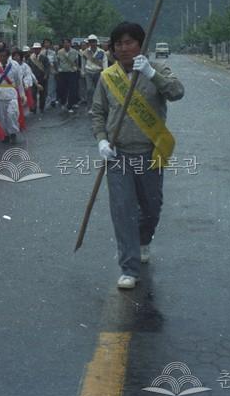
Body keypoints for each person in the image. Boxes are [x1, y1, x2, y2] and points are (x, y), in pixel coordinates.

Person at [91, 22, 184, 290]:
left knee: (152, 208)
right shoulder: (108, 77)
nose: (124, 48)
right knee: (123, 211)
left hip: (150, 154)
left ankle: (144, 240)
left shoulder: (156, 69)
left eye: (129, 42)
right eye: (119, 43)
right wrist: (101, 140)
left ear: (141, 44)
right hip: (118, 155)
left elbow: (177, 92)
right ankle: (129, 268)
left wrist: (151, 74)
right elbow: (98, 113)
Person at [0, 45, 25, 144]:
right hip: (0, 94)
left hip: (12, 93)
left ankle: (13, 133)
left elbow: (19, 82)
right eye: (0, 56)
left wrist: (22, 94)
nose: (2, 58)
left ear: (8, 56)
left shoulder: (14, 66)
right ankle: (5, 134)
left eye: (4, 56)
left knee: (12, 114)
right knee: (2, 116)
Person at [82, 34, 107, 111]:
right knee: (89, 89)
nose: (92, 43)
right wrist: (82, 72)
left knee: (98, 90)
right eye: (90, 42)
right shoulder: (85, 52)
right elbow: (83, 63)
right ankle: (90, 107)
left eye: (94, 41)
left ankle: (98, 106)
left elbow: (104, 62)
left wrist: (105, 72)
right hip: (88, 72)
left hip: (98, 72)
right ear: (88, 43)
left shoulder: (101, 52)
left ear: (96, 42)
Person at [57, 39, 82, 113]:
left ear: (70, 44)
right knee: (62, 89)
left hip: (72, 72)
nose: (66, 44)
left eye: (67, 43)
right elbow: (58, 61)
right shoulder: (60, 52)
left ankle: (70, 105)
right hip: (62, 72)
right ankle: (63, 102)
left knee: (72, 89)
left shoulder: (75, 52)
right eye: (64, 43)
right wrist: (59, 69)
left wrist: (76, 69)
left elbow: (77, 62)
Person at [28, 42, 51, 114]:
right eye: (35, 49)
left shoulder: (44, 57)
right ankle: (34, 108)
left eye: (37, 49)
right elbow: (28, 68)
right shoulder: (30, 58)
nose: (36, 50)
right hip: (33, 78)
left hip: (42, 78)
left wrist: (46, 75)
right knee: (33, 93)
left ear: (40, 49)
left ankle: (42, 107)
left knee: (43, 94)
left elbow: (47, 67)